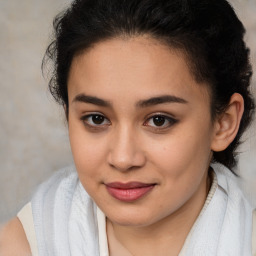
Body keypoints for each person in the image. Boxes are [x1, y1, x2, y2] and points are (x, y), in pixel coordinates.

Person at [0, 0, 255, 255]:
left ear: (224, 123)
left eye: (159, 120)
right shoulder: (21, 246)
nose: (123, 159)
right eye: (96, 119)